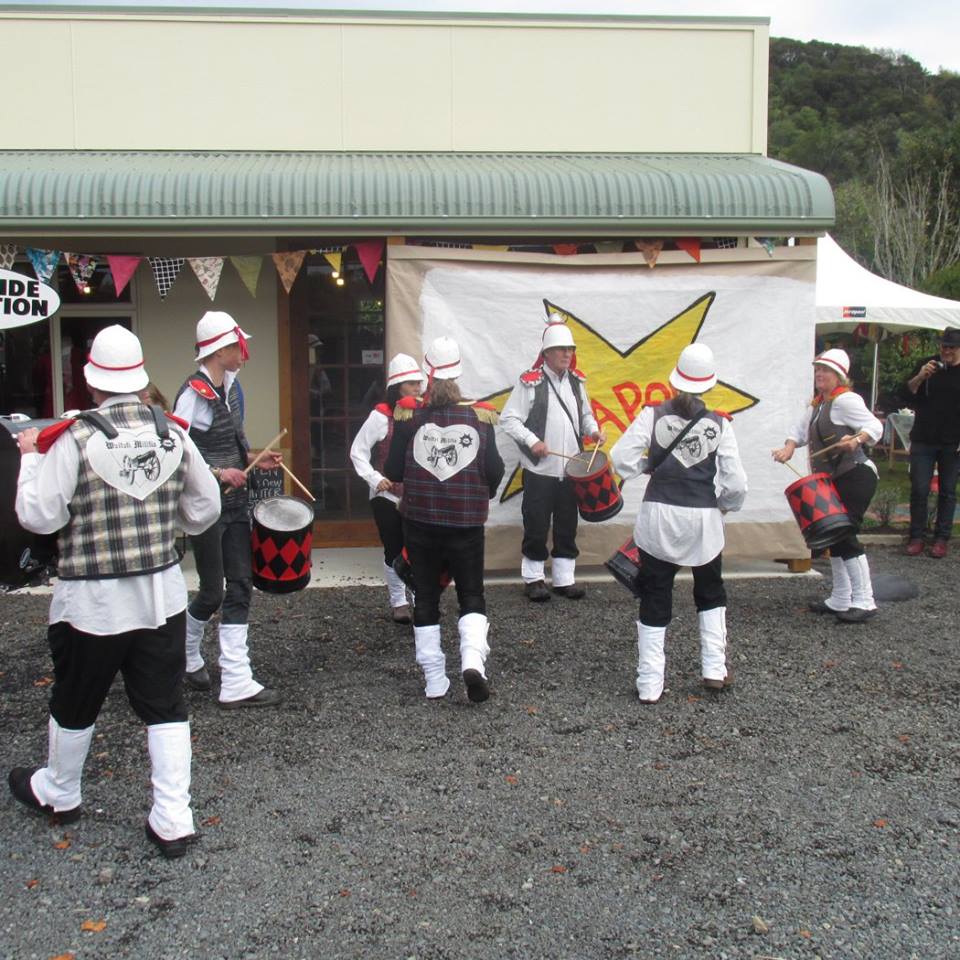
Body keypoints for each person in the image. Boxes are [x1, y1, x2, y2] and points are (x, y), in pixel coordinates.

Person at [9, 325, 221, 858]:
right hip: (162, 597)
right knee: (165, 704)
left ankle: (61, 792)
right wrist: (164, 523)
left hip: (92, 604)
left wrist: (30, 457)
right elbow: (205, 509)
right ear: (141, 378)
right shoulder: (173, 432)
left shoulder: (74, 436)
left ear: (92, 381)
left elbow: (39, 516)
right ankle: (173, 817)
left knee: (76, 698)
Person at [611, 343, 747, 704]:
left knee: (655, 593)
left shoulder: (651, 415)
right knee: (710, 591)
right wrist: (723, 507)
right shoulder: (720, 424)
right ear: (709, 384)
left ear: (674, 381)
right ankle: (714, 669)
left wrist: (644, 466)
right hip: (703, 519)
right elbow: (736, 484)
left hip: (659, 516)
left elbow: (620, 458)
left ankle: (649, 684)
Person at [384, 336, 504, 703]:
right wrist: (481, 493)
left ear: (428, 375)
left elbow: (393, 470)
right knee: (471, 593)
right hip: (466, 523)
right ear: (458, 373)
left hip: (420, 521)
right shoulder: (481, 416)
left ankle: (434, 679)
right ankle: (472, 662)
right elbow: (495, 470)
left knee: (426, 595)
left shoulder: (409, 415)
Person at [173, 311, 282, 708]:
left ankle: (236, 677)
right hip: (206, 507)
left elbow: (228, 447)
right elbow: (176, 452)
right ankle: (187, 655)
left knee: (240, 584)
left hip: (234, 505)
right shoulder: (193, 394)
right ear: (219, 351)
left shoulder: (231, 388)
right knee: (210, 592)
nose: (243, 353)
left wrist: (253, 458)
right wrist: (220, 472)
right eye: (238, 346)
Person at [773, 348, 883, 623]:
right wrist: (789, 447)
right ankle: (841, 598)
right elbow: (799, 431)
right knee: (835, 537)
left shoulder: (846, 400)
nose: (819, 374)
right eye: (818, 369)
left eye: (826, 370)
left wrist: (856, 440)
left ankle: (865, 600)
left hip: (856, 474)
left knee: (844, 534)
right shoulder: (819, 403)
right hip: (836, 479)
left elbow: (874, 426)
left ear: (839, 376)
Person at [499, 314, 605, 601]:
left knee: (567, 525)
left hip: (571, 471)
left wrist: (593, 431)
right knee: (536, 525)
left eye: (570, 349)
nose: (567, 354)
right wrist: (532, 441)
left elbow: (585, 415)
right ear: (546, 353)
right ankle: (534, 579)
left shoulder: (577, 382)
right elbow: (508, 419)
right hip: (540, 471)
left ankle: (564, 579)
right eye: (561, 350)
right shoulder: (530, 383)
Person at [349, 353, 425, 623]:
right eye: (411, 383)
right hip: (387, 496)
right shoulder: (380, 416)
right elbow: (357, 451)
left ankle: (421, 598)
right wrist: (374, 478)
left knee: (418, 548)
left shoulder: (423, 413)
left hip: (417, 494)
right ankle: (398, 602)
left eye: (418, 383)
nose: (417, 388)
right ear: (397, 387)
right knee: (393, 547)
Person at [902, 328, 960, 558]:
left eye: (952, 347)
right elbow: (905, 394)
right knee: (919, 489)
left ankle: (941, 538)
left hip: (952, 441)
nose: (946, 351)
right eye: (944, 346)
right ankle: (916, 536)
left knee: (947, 491)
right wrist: (920, 377)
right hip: (923, 437)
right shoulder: (928, 365)